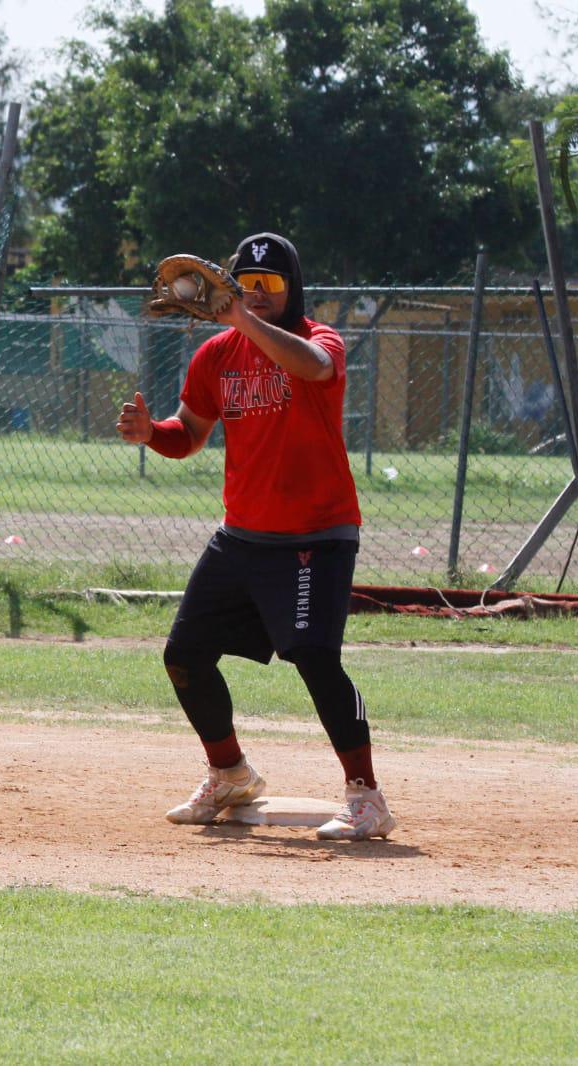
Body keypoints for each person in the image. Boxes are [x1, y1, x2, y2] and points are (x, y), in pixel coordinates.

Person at [117, 232, 395, 841]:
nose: (261, 296)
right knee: (184, 657)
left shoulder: (321, 341)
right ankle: (230, 775)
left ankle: (366, 797)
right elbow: (188, 435)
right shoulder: (217, 355)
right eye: (249, 286)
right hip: (242, 536)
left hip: (316, 535)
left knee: (315, 657)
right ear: (233, 287)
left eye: (273, 286)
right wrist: (150, 433)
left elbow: (313, 368)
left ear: (293, 290)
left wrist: (241, 317)